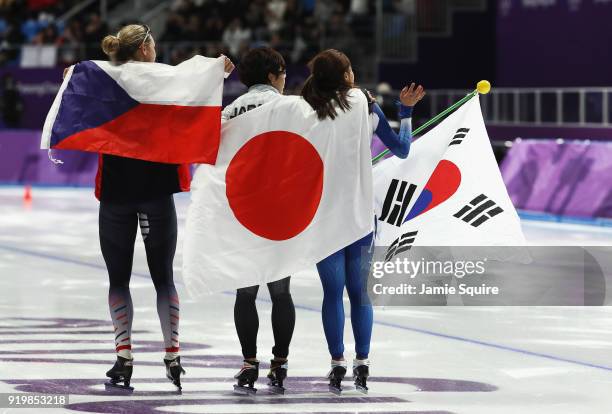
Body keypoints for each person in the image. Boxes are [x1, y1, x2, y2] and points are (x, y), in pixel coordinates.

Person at [93, 23, 234, 392]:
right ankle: (172, 355)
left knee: (118, 280)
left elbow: (77, 84)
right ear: (143, 50)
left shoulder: (104, 78)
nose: (155, 49)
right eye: (153, 43)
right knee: (163, 279)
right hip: (155, 191)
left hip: (115, 193)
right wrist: (216, 70)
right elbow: (193, 79)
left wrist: (73, 78)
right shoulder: (165, 79)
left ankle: (123, 357)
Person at [300, 49, 425, 394]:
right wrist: (406, 111)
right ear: (346, 77)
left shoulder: (305, 110)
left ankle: (337, 363)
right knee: (360, 295)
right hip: (359, 218)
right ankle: (363, 364)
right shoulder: (363, 103)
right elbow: (401, 150)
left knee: (331, 295)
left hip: (323, 216)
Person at [221, 47, 295, 395]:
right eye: (282, 72)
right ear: (271, 76)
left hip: (244, 211)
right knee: (281, 293)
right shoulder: (289, 107)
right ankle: (279, 365)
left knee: (246, 291)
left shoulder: (230, 111)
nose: (285, 78)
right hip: (281, 210)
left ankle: (249, 364)